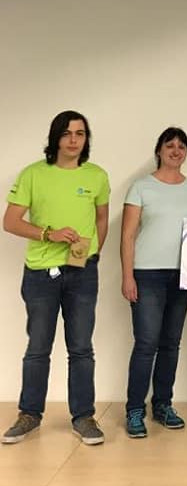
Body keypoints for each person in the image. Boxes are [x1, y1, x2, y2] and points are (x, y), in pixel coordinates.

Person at [2, 111, 109, 445]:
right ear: (55, 138)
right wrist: (49, 234)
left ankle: (84, 417)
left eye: (80, 133)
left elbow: (101, 219)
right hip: (40, 275)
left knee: (81, 348)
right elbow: (10, 222)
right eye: (66, 133)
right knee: (38, 348)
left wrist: (91, 253)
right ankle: (29, 415)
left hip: (82, 273)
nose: (74, 140)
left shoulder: (97, 176)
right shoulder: (33, 174)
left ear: (86, 139)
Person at [120, 127, 187, 438]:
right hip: (147, 275)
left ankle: (163, 404)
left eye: (182, 146)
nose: (176, 150)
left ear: (186, 153)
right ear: (159, 150)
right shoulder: (141, 187)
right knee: (146, 344)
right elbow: (127, 235)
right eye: (170, 145)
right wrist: (127, 276)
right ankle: (134, 410)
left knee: (171, 344)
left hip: (182, 275)